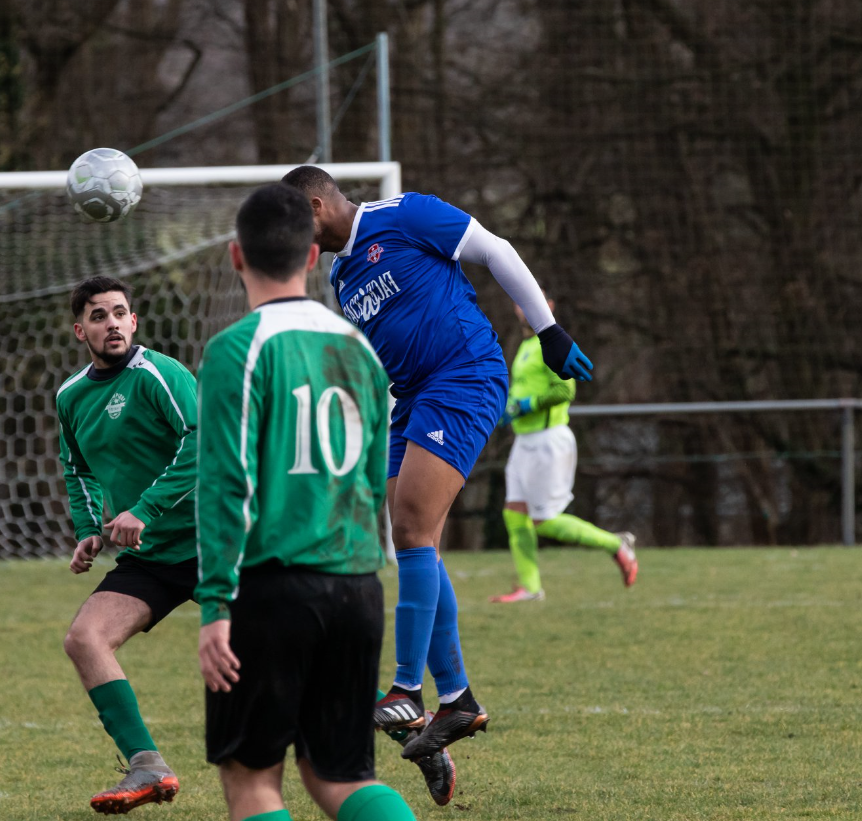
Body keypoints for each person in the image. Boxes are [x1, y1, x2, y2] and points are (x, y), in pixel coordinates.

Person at [281, 166, 593, 761]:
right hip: (409, 399)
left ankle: (406, 688)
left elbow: (495, 250)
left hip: (464, 375)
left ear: (316, 207)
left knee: (417, 531)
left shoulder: (404, 214)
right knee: (409, 539)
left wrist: (549, 331)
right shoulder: (343, 274)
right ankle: (457, 700)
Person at [195, 183, 417, 821]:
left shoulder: (236, 351)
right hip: (357, 587)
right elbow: (375, 478)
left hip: (273, 591)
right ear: (312, 257)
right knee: (337, 779)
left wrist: (214, 606)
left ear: (237, 257)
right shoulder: (360, 352)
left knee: (252, 782)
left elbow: (224, 486)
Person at [56, 275, 198, 815]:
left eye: (120, 312)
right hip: (153, 559)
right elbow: (77, 469)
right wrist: (90, 529)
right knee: (85, 638)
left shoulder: (159, 374)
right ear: (80, 330)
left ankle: (397, 723)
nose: (111, 322)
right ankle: (146, 765)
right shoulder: (71, 396)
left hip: (215, 543)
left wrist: (145, 508)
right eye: (99, 315)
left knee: (283, 652)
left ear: (134, 321)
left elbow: (202, 441)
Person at [491, 299, 637, 603]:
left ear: (550, 305)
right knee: (514, 515)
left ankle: (616, 544)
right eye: (520, 300)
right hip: (524, 442)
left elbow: (565, 390)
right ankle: (530, 589)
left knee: (546, 522)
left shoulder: (550, 341)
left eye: (534, 298)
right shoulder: (525, 345)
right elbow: (523, 391)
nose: (524, 304)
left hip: (548, 441)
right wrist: (507, 408)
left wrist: (526, 405)